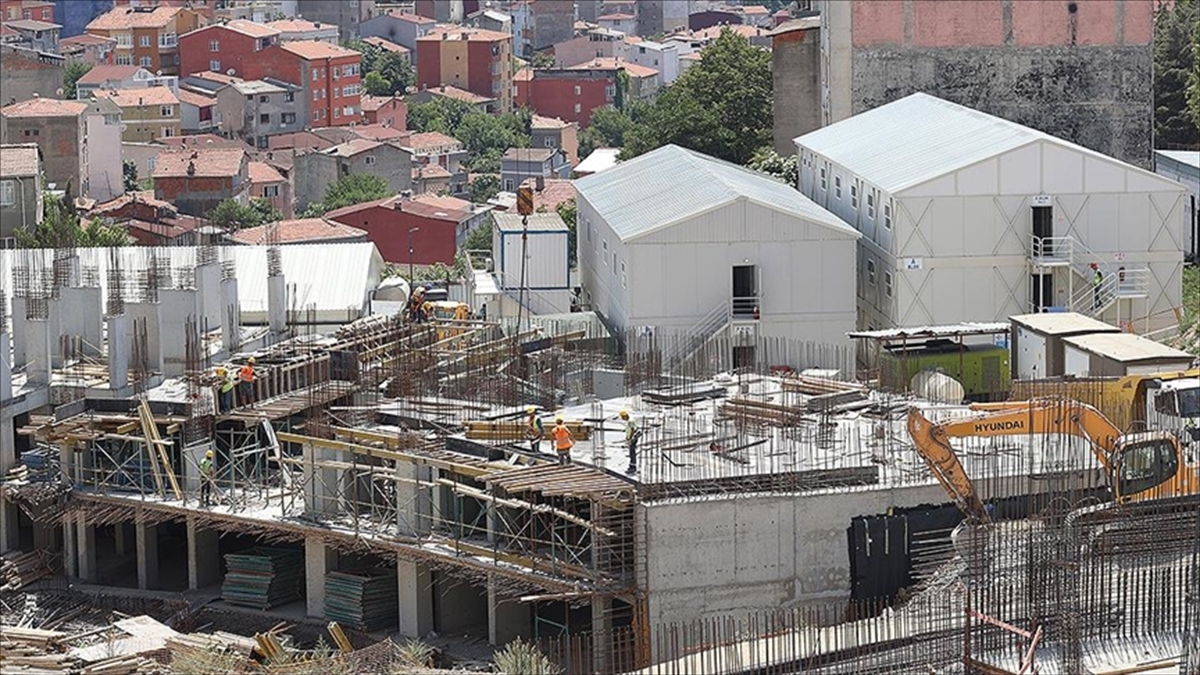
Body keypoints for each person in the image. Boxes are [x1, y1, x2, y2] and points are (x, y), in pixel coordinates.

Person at [620, 410, 641, 475]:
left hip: (633, 437)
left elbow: (632, 430)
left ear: (625, 416)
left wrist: (630, 438)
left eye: (622, 417)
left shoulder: (630, 421)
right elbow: (632, 427)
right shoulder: (629, 419)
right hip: (633, 436)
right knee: (631, 451)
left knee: (632, 452)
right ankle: (632, 465)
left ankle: (633, 467)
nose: (622, 419)